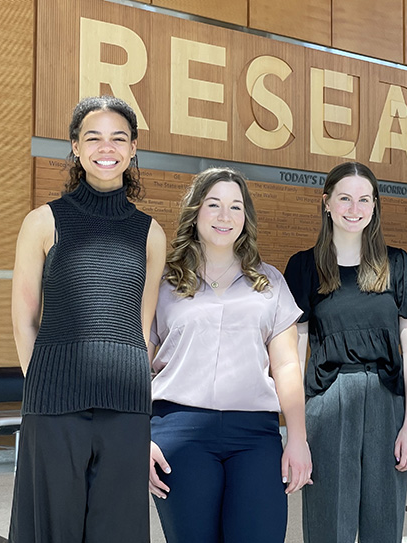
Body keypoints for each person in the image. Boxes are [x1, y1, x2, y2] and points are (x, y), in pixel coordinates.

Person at [9, 96, 167, 543]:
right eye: (93, 137)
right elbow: (24, 318)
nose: (106, 147)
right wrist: (40, 384)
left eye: (119, 138)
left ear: (133, 148)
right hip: (53, 403)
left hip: (126, 402)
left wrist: (142, 399)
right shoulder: (43, 222)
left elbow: (141, 326)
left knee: (117, 530)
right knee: (50, 529)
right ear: (75, 148)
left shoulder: (151, 234)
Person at [147, 167, 312, 543]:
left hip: (255, 435)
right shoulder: (163, 283)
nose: (225, 216)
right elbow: (139, 357)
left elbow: (286, 365)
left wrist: (298, 438)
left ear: (246, 218)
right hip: (178, 431)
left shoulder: (270, 282)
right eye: (214, 205)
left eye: (236, 207)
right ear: (195, 211)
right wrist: (140, 435)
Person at [284, 161, 407, 543]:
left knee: (385, 520)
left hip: (387, 401)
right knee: (328, 522)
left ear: (375, 205)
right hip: (327, 402)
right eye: (345, 198)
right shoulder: (303, 266)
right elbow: (294, 354)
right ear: (326, 202)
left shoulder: (396, 262)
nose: (354, 208)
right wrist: (294, 432)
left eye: (364, 199)